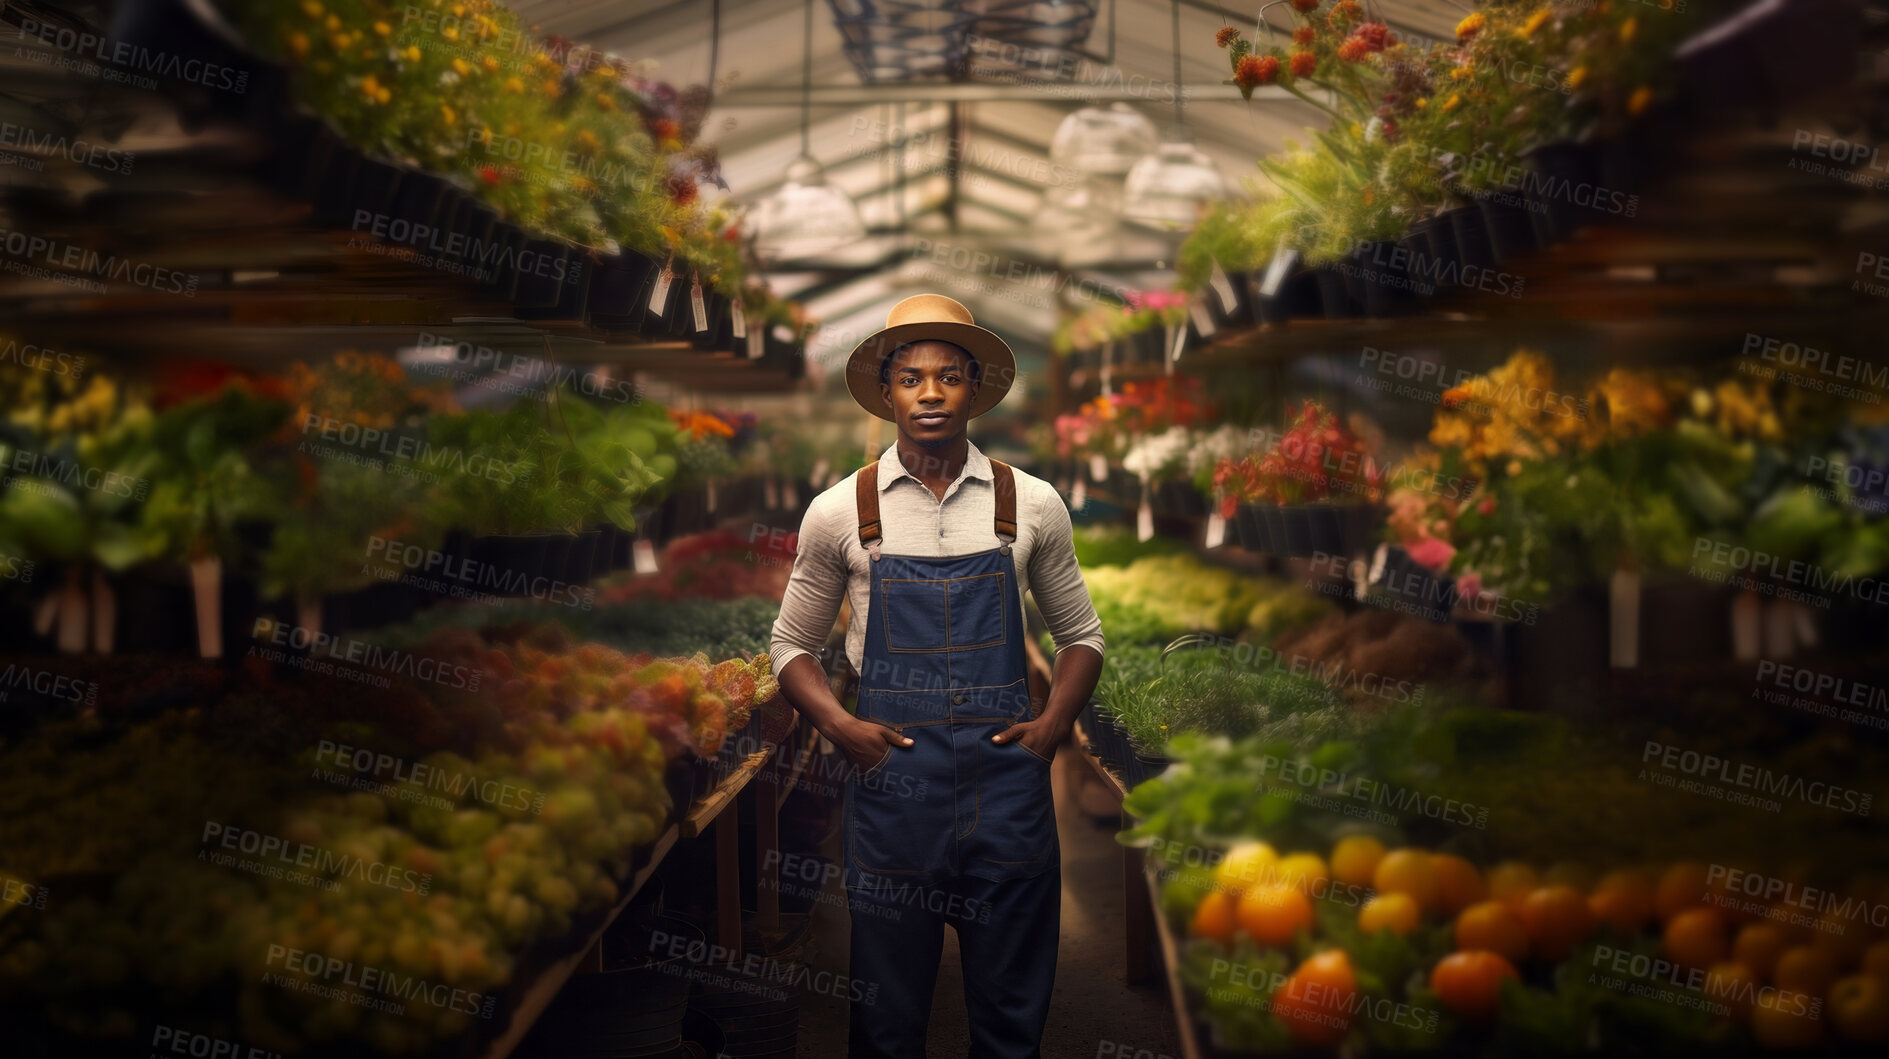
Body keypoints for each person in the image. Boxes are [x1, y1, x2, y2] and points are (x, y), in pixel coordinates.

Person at [768, 294, 1106, 1058]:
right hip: (893, 785)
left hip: (1006, 788)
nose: (929, 393)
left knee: (1012, 1016)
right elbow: (789, 645)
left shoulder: (1032, 503)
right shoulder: (838, 511)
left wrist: (1052, 727)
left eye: (948, 377)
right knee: (887, 1019)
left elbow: (1081, 636)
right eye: (911, 377)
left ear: (973, 388)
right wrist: (841, 727)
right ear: (886, 391)